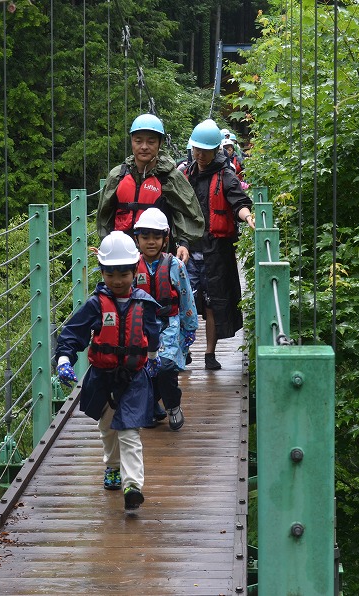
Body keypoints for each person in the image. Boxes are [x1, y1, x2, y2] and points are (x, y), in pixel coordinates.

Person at [54, 231, 162, 510]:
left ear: (134, 270)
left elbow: (151, 331)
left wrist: (152, 357)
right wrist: (64, 360)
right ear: (102, 272)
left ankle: (133, 485)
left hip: (135, 378)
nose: (117, 280)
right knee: (107, 428)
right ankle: (112, 466)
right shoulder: (95, 305)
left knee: (129, 431)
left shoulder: (144, 303)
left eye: (123, 274)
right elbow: (72, 334)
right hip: (103, 377)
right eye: (110, 274)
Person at [183, 119, 255, 370]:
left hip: (215, 252)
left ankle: (210, 354)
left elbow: (238, 201)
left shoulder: (225, 175)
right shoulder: (187, 174)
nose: (199, 155)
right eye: (196, 149)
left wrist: (247, 216)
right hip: (189, 251)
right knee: (184, 302)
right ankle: (184, 350)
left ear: (216, 150)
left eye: (204, 150)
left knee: (213, 304)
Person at [97, 113, 204, 263]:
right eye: (138, 141)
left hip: (160, 256)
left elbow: (190, 213)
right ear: (132, 142)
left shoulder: (170, 177)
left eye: (151, 142)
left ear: (160, 144)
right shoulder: (117, 176)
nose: (144, 147)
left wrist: (184, 244)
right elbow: (104, 216)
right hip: (122, 256)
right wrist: (106, 245)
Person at [132, 208, 198, 430]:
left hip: (168, 325)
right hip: (140, 327)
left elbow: (186, 297)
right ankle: (151, 407)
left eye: (156, 237)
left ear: (165, 239)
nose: (151, 242)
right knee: (143, 368)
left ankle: (172, 405)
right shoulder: (130, 267)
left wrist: (190, 329)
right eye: (145, 237)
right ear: (137, 239)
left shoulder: (174, 265)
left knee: (166, 366)